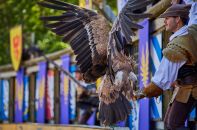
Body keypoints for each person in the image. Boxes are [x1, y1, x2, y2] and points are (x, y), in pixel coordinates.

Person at [134, 0, 197, 130]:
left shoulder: (177, 46)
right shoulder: (193, 29)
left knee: (173, 125)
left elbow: (161, 81)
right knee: (170, 124)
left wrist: (142, 93)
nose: (164, 21)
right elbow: (194, 10)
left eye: (167, 18)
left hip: (189, 89)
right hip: (185, 87)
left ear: (178, 19)